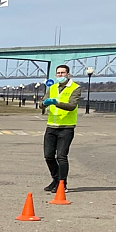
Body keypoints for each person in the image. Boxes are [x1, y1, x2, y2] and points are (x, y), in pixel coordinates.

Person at [41, 65, 82, 193]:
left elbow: (71, 106)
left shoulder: (75, 88)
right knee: (48, 156)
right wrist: (44, 104)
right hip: (51, 126)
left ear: (68, 74)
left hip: (66, 128)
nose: (60, 75)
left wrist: (55, 102)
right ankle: (56, 179)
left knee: (61, 157)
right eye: (58, 73)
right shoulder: (52, 87)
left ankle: (62, 184)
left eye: (63, 73)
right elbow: (42, 105)